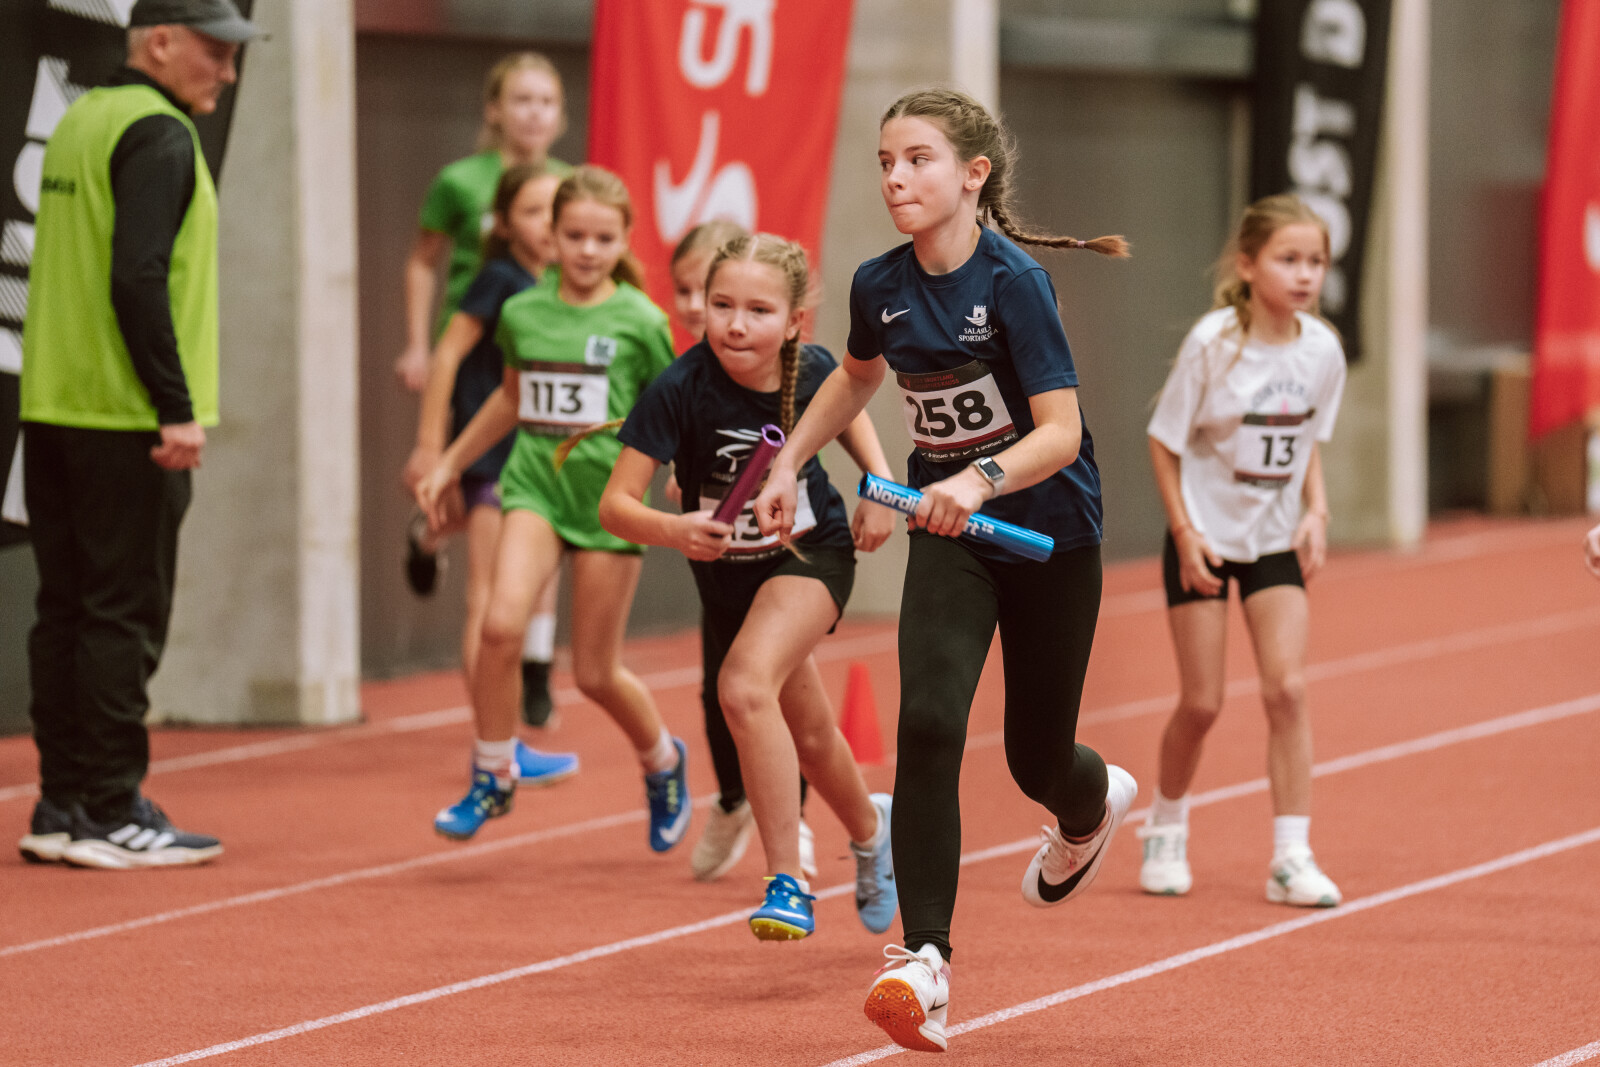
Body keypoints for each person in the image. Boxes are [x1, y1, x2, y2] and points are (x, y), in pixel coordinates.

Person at [753, 88, 1136, 1052]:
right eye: (885, 161)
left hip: (1050, 534)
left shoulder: (1014, 284)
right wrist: (789, 460)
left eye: (917, 160)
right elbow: (857, 376)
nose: (895, 179)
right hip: (951, 537)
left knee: (1036, 759)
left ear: (973, 175)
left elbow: (1059, 432)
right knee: (927, 722)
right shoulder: (878, 282)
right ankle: (924, 962)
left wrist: (976, 478)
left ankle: (1091, 805)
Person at [16, 0, 262, 870]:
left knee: (66, 609)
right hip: (126, 418)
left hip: (54, 409)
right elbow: (138, 276)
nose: (228, 71)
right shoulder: (161, 135)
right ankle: (112, 807)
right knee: (123, 614)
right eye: (214, 53)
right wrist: (173, 404)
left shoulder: (81, 120)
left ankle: (62, 801)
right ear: (160, 42)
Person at [600, 232, 899, 938]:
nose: (736, 325)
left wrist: (880, 486)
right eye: (722, 305)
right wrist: (674, 530)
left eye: (759, 311)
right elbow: (615, 506)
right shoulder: (679, 388)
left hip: (810, 553)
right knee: (813, 734)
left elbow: (850, 412)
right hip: (725, 574)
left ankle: (786, 880)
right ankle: (871, 832)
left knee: (740, 686)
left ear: (794, 321)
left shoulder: (814, 368)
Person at [414, 166, 688, 850]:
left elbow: (674, 407)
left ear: (625, 240)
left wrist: (685, 471)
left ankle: (662, 760)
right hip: (534, 485)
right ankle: (492, 771)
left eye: (603, 238)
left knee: (595, 673)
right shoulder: (522, 312)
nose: (588, 250)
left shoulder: (641, 320)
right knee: (499, 627)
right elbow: (512, 397)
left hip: (608, 502)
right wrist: (449, 460)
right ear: (551, 237)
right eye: (575, 236)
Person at [1137, 193, 1347, 910]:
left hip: (1274, 537)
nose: (1305, 274)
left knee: (1287, 689)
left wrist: (1317, 509)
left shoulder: (1322, 350)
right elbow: (1164, 441)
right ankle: (1165, 826)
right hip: (1204, 535)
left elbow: (1306, 438)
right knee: (1202, 702)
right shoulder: (1214, 343)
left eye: (1316, 261)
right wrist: (1184, 531)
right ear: (1249, 265)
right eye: (1289, 259)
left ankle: (1291, 855)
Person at [397, 53, 572, 726]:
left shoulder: (571, 185)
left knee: (526, 537)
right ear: (494, 109)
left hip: (542, 380)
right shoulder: (461, 184)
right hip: (479, 367)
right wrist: (419, 343)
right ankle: (494, 731)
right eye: (520, 99)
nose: (533, 113)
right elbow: (423, 262)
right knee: (487, 536)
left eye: (545, 101)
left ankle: (532, 674)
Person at [661, 220, 817, 882]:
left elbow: (837, 414)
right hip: (723, 560)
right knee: (718, 687)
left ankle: (795, 819)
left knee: (775, 689)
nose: (701, 309)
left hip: (788, 556)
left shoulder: (792, 367)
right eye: (691, 294)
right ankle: (732, 799)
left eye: (712, 293)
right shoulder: (688, 373)